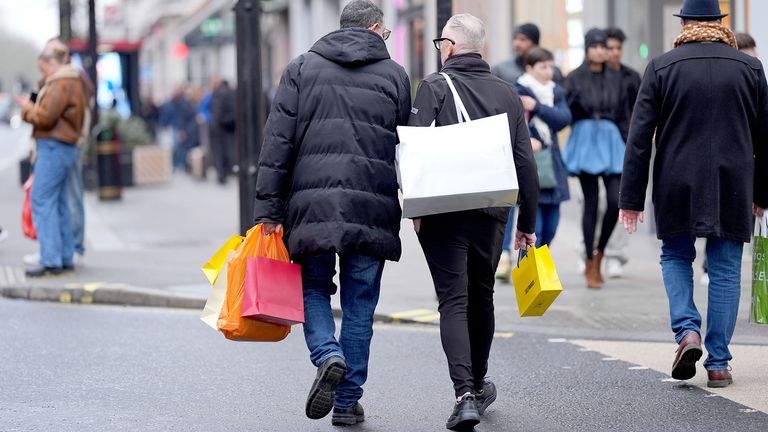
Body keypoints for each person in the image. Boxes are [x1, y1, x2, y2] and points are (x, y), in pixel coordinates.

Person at [252, 0, 410, 426]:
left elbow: (277, 143)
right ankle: (346, 400)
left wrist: (268, 209)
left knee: (313, 289)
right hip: (371, 206)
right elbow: (407, 147)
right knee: (360, 303)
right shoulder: (395, 75)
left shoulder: (302, 68)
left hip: (310, 205)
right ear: (376, 27)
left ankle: (327, 354)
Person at [619, 0, 767, 389]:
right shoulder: (750, 67)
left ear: (684, 22)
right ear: (720, 23)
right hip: (733, 181)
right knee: (725, 267)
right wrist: (762, 192)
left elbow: (639, 139)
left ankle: (687, 332)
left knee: (675, 255)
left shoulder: (662, 66)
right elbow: (764, 138)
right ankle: (718, 363)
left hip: (675, 180)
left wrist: (630, 199)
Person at [408, 14, 538, 431]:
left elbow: (413, 150)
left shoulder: (434, 86)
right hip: (491, 210)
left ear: (448, 45)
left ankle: (463, 394)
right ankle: (479, 384)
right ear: (480, 48)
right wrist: (527, 223)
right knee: (482, 296)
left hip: (443, 213)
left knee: (453, 300)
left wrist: (415, 209)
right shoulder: (506, 92)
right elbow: (525, 163)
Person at [492, 23, 563, 280]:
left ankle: (528, 265)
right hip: (513, 151)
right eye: (515, 39)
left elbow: (564, 115)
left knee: (546, 219)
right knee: (510, 206)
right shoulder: (502, 70)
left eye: (523, 39)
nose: (517, 44)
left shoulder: (553, 80)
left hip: (545, 157)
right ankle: (506, 257)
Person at [563, 28, 629, 289]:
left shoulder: (617, 78)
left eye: (604, 46)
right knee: (590, 203)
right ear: (587, 48)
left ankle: (600, 254)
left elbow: (624, 112)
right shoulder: (574, 78)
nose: (601, 51)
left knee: (615, 201)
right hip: (586, 138)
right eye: (595, 46)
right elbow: (567, 111)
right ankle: (590, 261)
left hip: (611, 139)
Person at [16, 39, 87, 277]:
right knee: (59, 202)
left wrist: (26, 108)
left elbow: (45, 117)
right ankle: (64, 255)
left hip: (54, 146)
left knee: (42, 199)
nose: (42, 66)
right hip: (65, 146)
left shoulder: (60, 83)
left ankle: (50, 258)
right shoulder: (70, 80)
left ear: (52, 62)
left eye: (45, 61)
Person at [515, 47, 572, 247]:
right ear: (529, 68)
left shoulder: (555, 91)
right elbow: (512, 124)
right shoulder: (518, 90)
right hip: (530, 165)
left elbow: (564, 119)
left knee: (550, 229)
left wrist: (537, 107)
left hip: (552, 165)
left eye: (551, 67)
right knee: (533, 231)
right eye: (543, 67)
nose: (549, 72)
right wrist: (527, 139)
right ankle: (530, 276)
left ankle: (537, 272)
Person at [209, 80, 236, 184]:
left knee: (219, 152)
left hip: (216, 127)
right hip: (223, 128)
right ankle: (223, 173)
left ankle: (221, 173)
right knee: (224, 151)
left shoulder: (215, 95)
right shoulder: (227, 95)